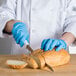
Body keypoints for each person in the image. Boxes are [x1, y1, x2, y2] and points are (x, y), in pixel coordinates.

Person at [0, 0, 76, 54]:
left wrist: (64, 41)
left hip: (56, 54)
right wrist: (13, 25)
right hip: (21, 54)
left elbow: (73, 20)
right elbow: (4, 14)